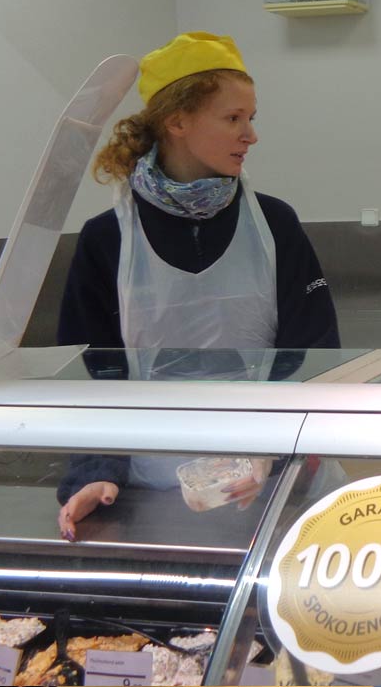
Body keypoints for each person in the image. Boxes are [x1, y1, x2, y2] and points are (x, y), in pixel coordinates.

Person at [55, 32, 340, 540]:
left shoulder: (275, 224)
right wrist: (94, 472)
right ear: (177, 121)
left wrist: (271, 450)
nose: (251, 135)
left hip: (274, 478)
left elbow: (315, 353)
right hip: (152, 491)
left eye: (251, 118)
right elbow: (89, 375)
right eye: (233, 118)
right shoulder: (107, 238)